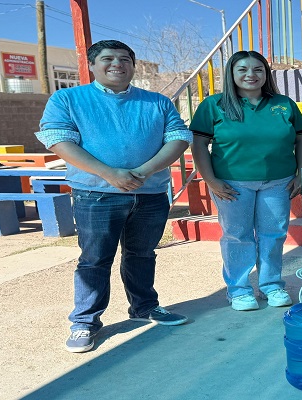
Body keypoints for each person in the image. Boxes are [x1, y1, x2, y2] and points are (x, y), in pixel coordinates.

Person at [36, 40, 192, 353]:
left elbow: (178, 138)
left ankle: (145, 307)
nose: (117, 64)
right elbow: (58, 140)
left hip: (150, 193)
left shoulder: (158, 102)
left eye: (125, 59)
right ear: (91, 65)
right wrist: (109, 173)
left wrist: (143, 172)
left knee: (142, 254)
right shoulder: (67, 98)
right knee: (94, 259)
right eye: (107, 58)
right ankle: (85, 321)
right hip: (96, 194)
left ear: (133, 66)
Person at [190, 50, 302, 311]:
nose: (250, 75)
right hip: (231, 183)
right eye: (242, 69)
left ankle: (271, 285)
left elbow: (301, 139)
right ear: (231, 74)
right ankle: (239, 290)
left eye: (258, 69)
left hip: (278, 181)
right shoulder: (214, 105)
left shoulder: (284, 104)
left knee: (273, 234)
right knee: (237, 236)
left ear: (266, 73)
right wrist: (210, 180)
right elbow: (199, 145)